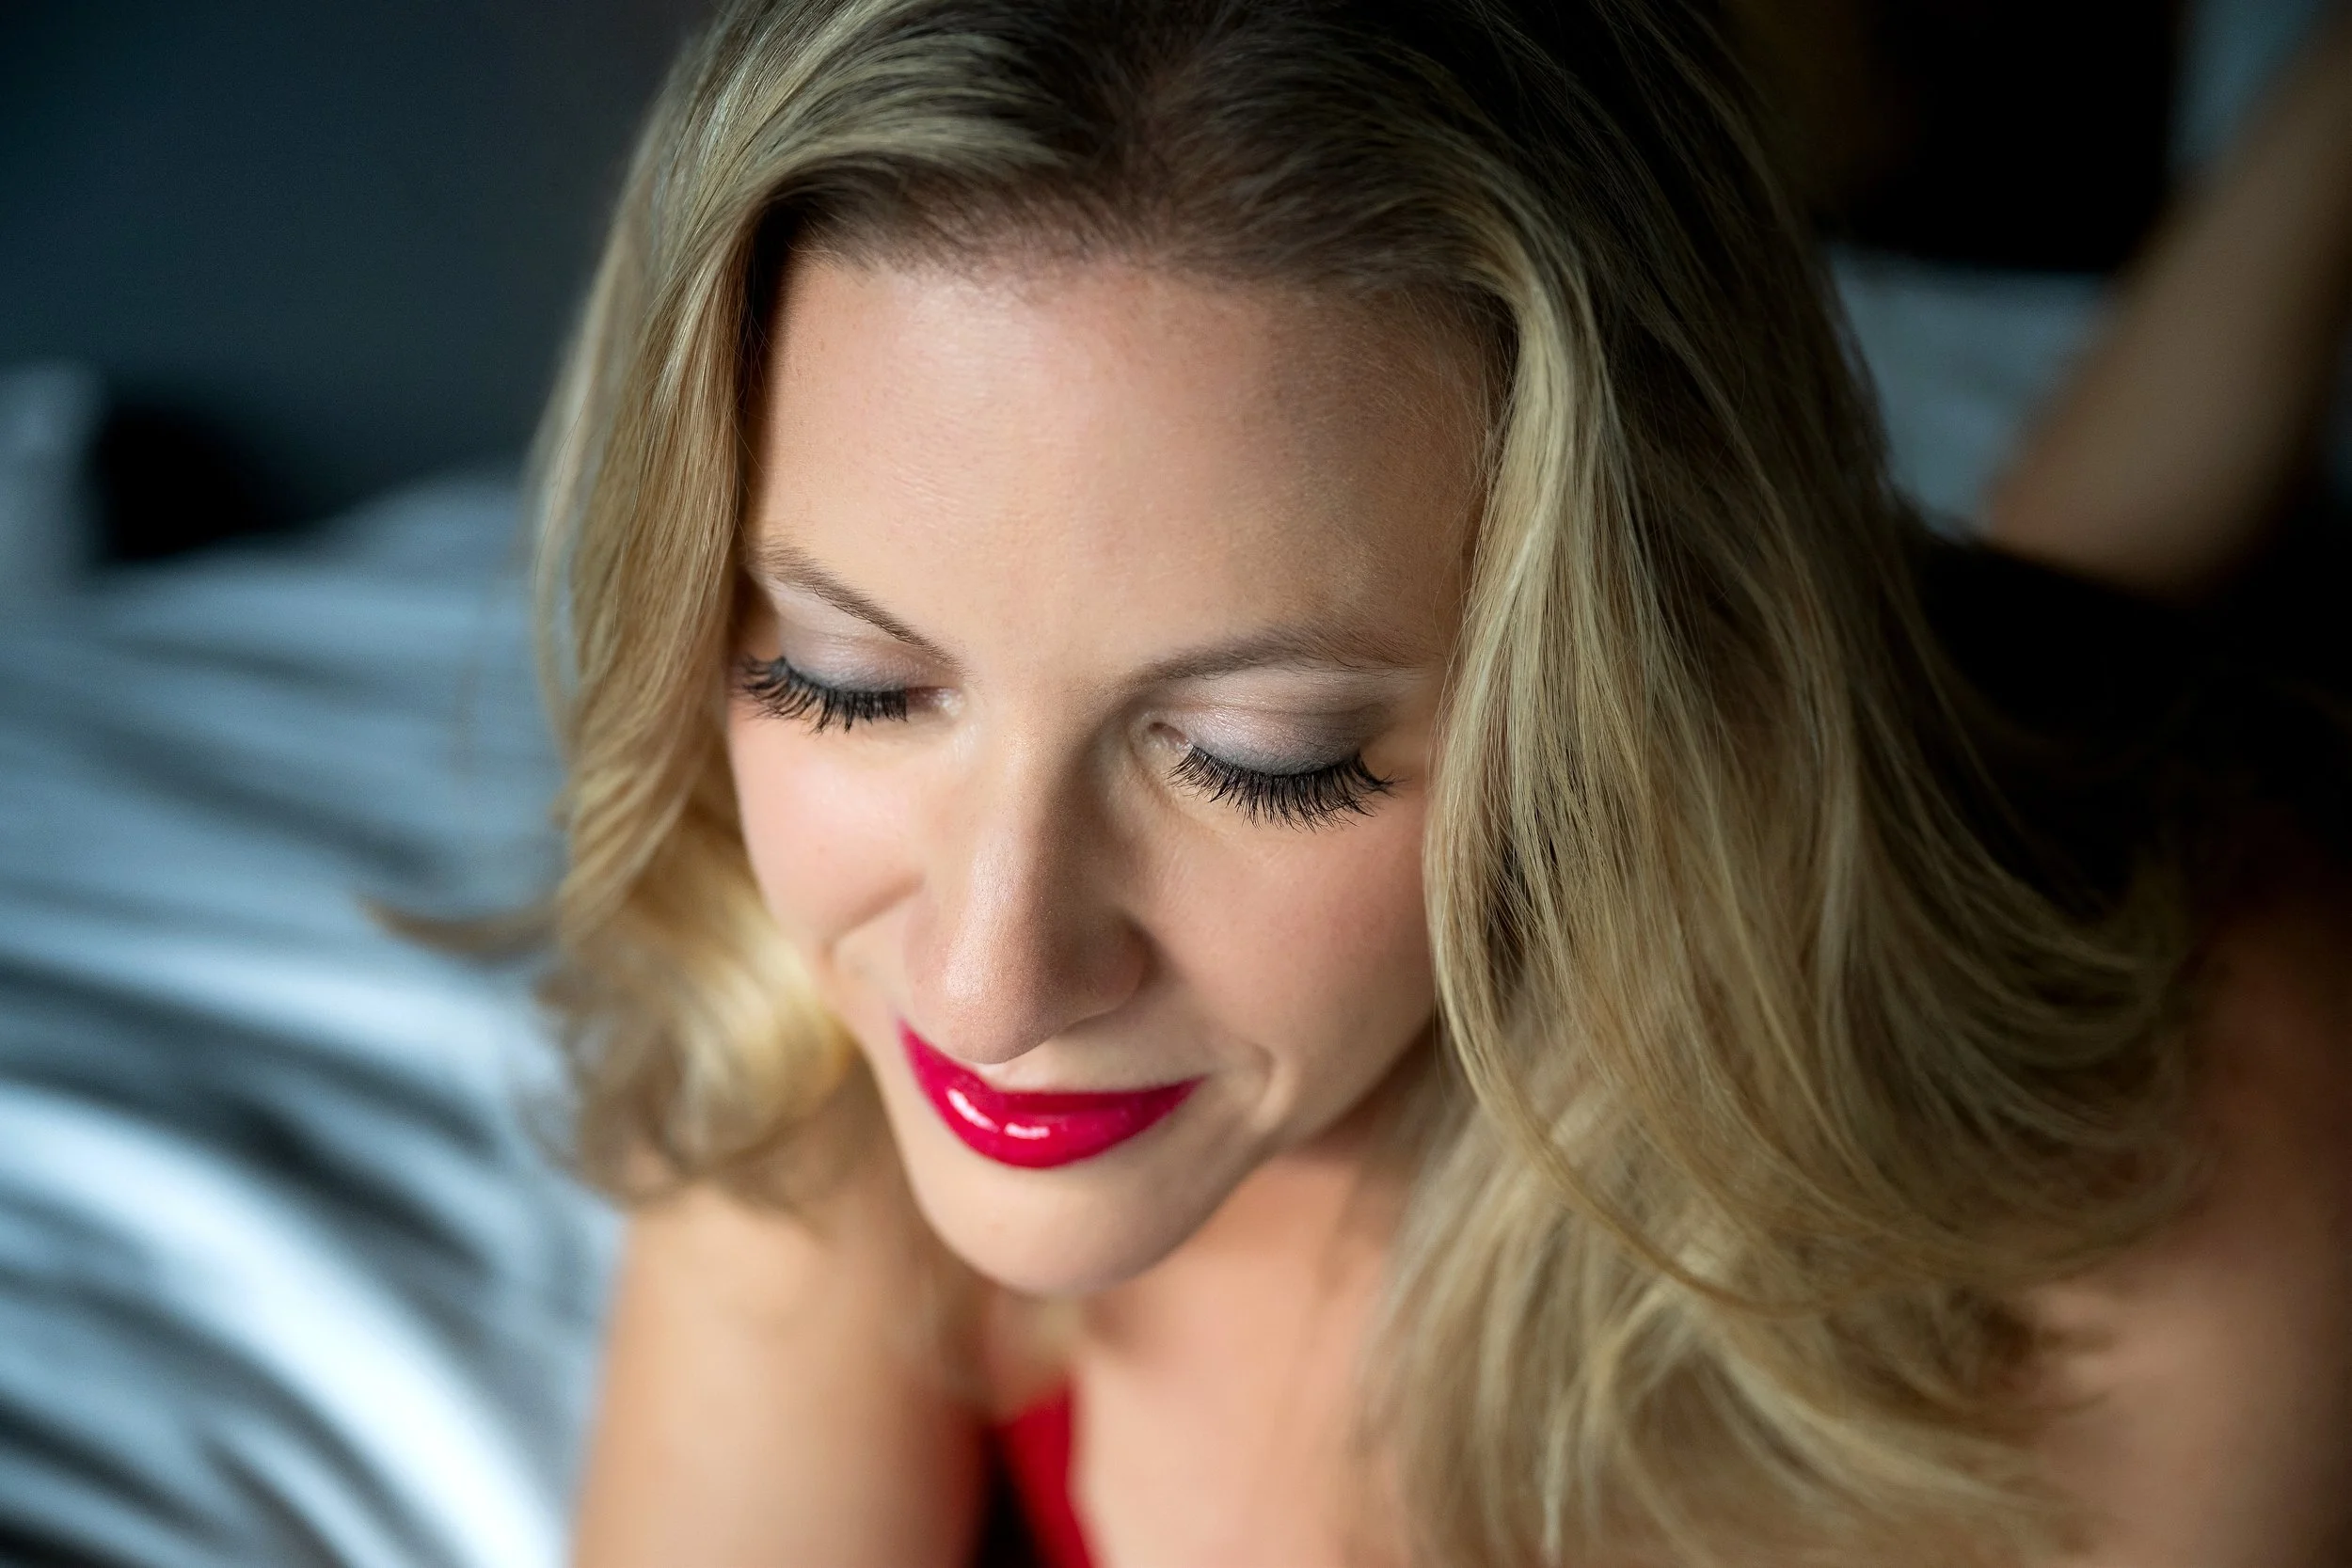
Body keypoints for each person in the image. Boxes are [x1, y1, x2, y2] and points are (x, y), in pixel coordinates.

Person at [533, 1, 2352, 1562]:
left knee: (2098, 624)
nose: (985, 984)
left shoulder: (2172, 1160)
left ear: (1617, 709)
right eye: (848, 683)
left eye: (1268, 757)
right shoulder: (830, 1013)